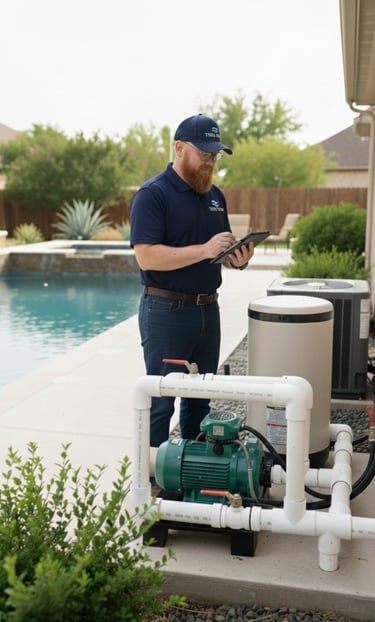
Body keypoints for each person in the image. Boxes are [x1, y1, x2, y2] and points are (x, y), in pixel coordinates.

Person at [130, 114, 254, 450]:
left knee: (201, 398)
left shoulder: (215, 195)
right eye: (205, 154)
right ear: (180, 148)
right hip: (166, 311)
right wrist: (204, 250)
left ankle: (190, 473)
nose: (210, 162)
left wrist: (236, 259)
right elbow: (147, 257)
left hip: (207, 311)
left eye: (215, 156)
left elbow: (217, 253)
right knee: (161, 402)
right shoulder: (153, 195)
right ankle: (153, 481)